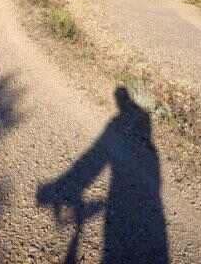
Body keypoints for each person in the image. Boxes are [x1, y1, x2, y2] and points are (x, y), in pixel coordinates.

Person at [37, 87, 169, 264]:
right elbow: (93, 158)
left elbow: (93, 157)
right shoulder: (135, 120)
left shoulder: (117, 122)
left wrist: (61, 187)